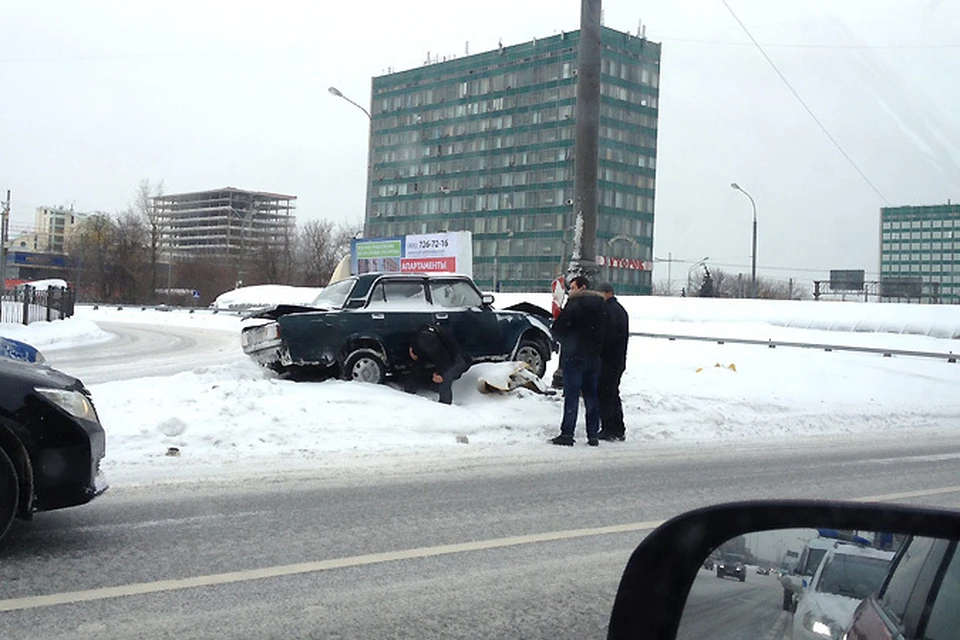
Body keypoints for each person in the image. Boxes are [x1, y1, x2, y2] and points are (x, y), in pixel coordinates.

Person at [549, 275, 606, 446]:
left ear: (581, 287)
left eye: (572, 287)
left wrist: (562, 334)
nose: (569, 291)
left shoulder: (574, 305)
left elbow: (558, 329)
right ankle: (593, 434)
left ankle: (567, 434)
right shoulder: (601, 306)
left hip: (574, 356)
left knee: (572, 396)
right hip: (594, 357)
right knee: (591, 396)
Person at [596, 282, 629, 441]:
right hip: (618, 359)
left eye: (600, 293)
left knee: (605, 394)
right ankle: (618, 428)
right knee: (613, 393)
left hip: (608, 360)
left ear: (608, 293)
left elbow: (607, 337)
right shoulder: (620, 310)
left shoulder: (608, 311)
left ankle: (608, 429)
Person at [408, 323, 470, 405]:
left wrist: (442, 376)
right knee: (442, 374)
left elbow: (447, 364)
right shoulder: (449, 348)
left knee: (443, 375)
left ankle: (443, 402)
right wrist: (411, 347)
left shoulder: (451, 351)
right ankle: (444, 403)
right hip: (424, 342)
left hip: (427, 342)